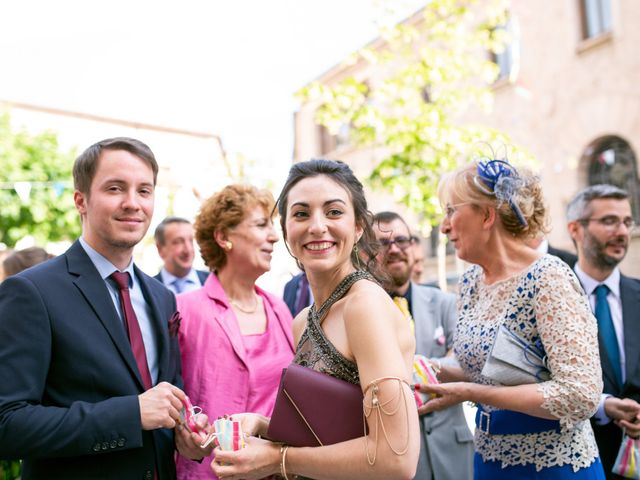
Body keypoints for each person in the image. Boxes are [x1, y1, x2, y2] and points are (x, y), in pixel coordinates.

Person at [0, 137, 209, 480]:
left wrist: (183, 434)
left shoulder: (161, 297)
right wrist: (130, 414)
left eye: (144, 190)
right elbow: (7, 423)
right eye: (115, 188)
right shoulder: (31, 291)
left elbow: (163, 402)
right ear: (80, 200)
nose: (133, 203)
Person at [211, 159, 420, 479]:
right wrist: (262, 426)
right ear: (285, 230)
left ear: (358, 226)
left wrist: (277, 459)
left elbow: (396, 457)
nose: (317, 226)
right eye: (301, 214)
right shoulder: (303, 320)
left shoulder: (364, 305)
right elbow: (332, 432)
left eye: (334, 212)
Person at [419, 158, 605, 479]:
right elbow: (478, 367)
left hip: (554, 466)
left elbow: (581, 394)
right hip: (489, 461)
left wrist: (472, 393)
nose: (444, 226)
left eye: (451, 211)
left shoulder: (548, 278)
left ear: (487, 215)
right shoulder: (470, 281)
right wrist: (418, 366)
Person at [175, 184, 295, 480]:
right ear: (223, 237)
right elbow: (168, 394)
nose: (274, 236)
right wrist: (181, 430)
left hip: (276, 471)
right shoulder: (185, 310)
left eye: (273, 226)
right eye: (260, 225)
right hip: (209, 472)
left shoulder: (279, 309)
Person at [373, 211, 473, 480]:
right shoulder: (361, 312)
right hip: (396, 461)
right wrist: (441, 365)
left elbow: (467, 364)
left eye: (402, 240)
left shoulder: (445, 302)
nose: (394, 249)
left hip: (455, 454)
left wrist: (411, 365)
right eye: (383, 244)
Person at [566, 184, 640, 479]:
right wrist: (602, 405)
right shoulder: (551, 299)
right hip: (579, 462)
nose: (622, 231)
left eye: (627, 221)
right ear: (575, 229)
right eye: (609, 221)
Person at [154, 216, 209, 294]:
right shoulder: (149, 289)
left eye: (191, 241)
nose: (188, 249)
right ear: (160, 249)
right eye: (178, 242)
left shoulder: (213, 281)